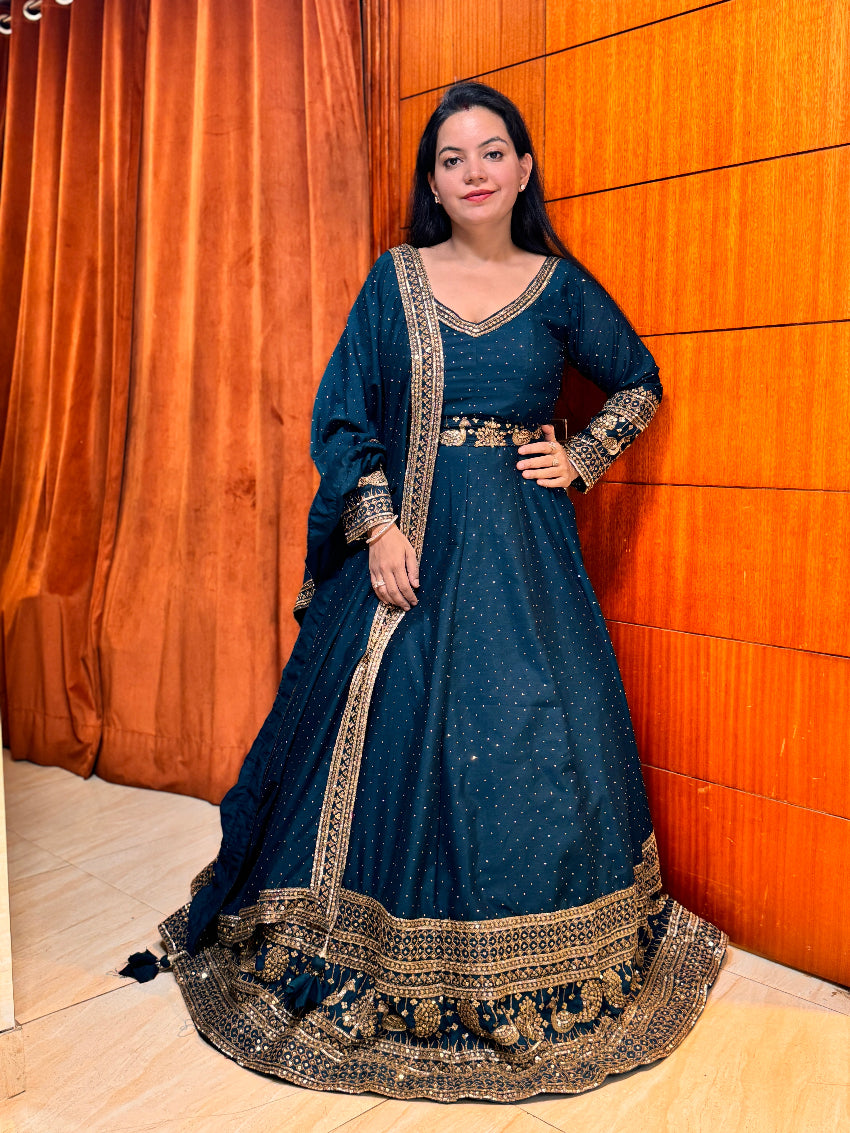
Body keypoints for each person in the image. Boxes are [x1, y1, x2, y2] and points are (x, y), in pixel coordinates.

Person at [128, 81, 727, 1102]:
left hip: (524, 554)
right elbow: (344, 412)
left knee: (535, 732)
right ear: (433, 183)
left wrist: (581, 457)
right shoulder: (395, 280)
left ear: (523, 169)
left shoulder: (559, 286)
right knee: (395, 729)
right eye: (452, 159)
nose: (474, 171)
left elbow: (638, 380)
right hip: (413, 548)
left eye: (492, 152)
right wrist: (377, 526)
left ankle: (543, 958)